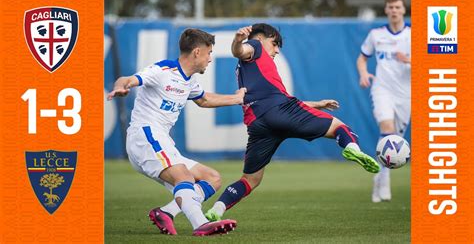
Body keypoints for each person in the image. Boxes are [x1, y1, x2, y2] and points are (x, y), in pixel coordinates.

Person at [205, 23, 380, 221]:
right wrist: (238, 40)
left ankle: (217, 209)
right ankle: (353, 149)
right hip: (280, 111)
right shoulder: (256, 45)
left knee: (250, 180)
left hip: (258, 123)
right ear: (261, 39)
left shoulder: (253, 70)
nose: (277, 50)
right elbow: (240, 51)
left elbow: (283, 101)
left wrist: (317, 104)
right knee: (339, 127)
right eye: (275, 43)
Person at [107, 28, 245, 236]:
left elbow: (204, 100)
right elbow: (127, 79)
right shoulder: (163, 71)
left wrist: (237, 99)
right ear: (197, 52)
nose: (210, 59)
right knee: (184, 178)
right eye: (209, 53)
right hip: (145, 137)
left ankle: (166, 212)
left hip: (161, 141)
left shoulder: (189, 80)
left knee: (212, 178)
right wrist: (121, 87)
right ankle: (200, 224)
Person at [356, 0, 411, 203]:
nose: (394, 10)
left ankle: (378, 177)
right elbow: (362, 58)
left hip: (406, 94)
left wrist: (407, 60)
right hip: (382, 89)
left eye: (398, 7)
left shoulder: (413, 35)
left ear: (403, 10)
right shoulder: (376, 34)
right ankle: (385, 180)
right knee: (387, 131)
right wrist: (363, 73)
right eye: (391, 7)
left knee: (397, 139)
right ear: (386, 10)